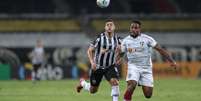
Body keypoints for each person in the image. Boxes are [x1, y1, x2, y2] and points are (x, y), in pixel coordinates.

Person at [121, 20, 177, 101]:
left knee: (148, 95)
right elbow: (121, 53)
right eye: (132, 27)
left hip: (146, 67)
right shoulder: (125, 40)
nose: (133, 29)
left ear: (139, 29)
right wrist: (117, 59)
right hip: (133, 66)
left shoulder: (147, 39)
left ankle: (140, 81)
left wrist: (171, 61)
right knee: (132, 84)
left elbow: (160, 49)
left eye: (136, 28)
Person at [76, 19, 121, 101]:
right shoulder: (99, 38)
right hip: (98, 66)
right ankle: (83, 83)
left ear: (114, 27)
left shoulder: (118, 39)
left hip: (110, 66)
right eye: (108, 25)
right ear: (105, 27)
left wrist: (119, 58)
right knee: (93, 90)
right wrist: (92, 62)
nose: (109, 26)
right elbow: (89, 50)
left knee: (115, 82)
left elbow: (123, 49)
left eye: (111, 25)